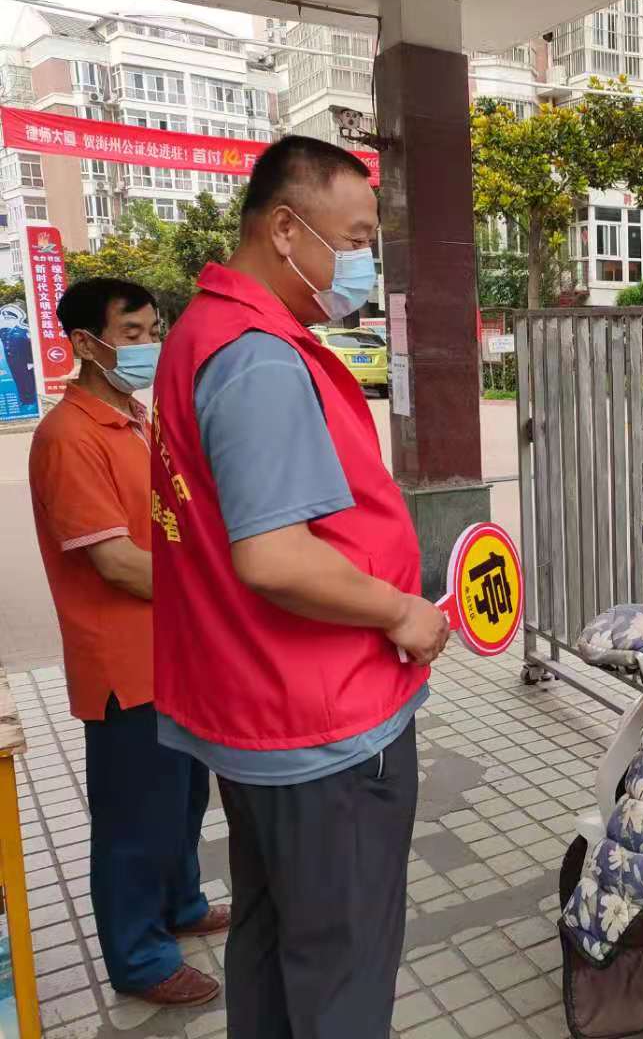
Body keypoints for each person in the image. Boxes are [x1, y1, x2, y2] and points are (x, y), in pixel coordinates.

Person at [149, 136, 450, 1039]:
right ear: (286, 229)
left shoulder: (203, 331)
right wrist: (403, 608)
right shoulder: (260, 358)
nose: (361, 261)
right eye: (354, 237)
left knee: (275, 939)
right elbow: (273, 557)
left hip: (256, 710)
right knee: (344, 968)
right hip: (322, 723)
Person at [29, 278, 227, 1008]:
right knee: (133, 819)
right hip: (123, 665)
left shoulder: (137, 419)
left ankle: (179, 906)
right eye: (135, 333)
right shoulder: (68, 437)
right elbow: (113, 561)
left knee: (180, 799)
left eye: (154, 331)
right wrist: (219, 585)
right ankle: (140, 959)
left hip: (173, 654)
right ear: (86, 344)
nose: (150, 346)